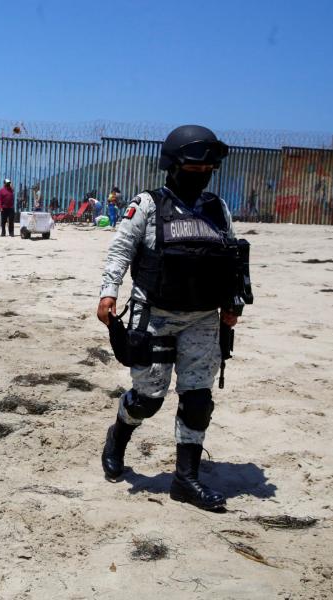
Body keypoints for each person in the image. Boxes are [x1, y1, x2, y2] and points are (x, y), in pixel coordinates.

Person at [97, 124, 252, 512]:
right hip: (155, 316)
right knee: (148, 399)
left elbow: (232, 258)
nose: (200, 175)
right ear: (172, 165)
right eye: (193, 168)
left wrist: (233, 303)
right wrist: (108, 291)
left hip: (203, 318)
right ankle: (118, 435)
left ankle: (185, 479)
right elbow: (121, 249)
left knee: (198, 398)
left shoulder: (217, 208)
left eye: (207, 171)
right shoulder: (148, 205)